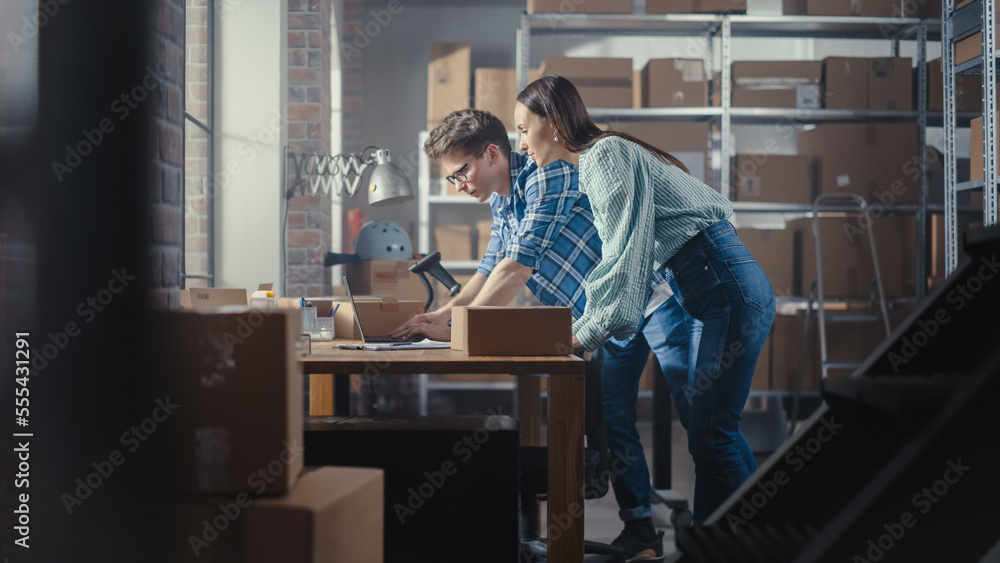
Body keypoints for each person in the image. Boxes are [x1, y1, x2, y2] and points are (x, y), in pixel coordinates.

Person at [514, 76, 775, 529]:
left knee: (712, 434)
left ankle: (766, 543)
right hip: (718, 289)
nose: (520, 144)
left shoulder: (604, 155)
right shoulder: (597, 160)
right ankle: (719, 545)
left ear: (553, 123)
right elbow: (624, 256)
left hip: (726, 288)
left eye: (522, 129)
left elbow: (624, 256)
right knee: (710, 437)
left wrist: (586, 332)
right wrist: (590, 325)